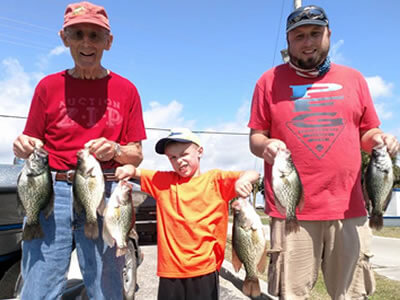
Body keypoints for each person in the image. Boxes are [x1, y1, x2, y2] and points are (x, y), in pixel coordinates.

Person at [248, 4, 399, 300]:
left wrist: (381, 139)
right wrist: (266, 145)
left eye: (315, 33)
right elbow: (256, 137)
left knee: (352, 295)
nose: (308, 42)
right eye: (299, 36)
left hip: (348, 208)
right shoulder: (267, 81)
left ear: (328, 35)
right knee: (292, 294)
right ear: (288, 41)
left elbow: (366, 132)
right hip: (291, 211)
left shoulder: (354, 79)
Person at [12, 2, 146, 299]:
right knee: (39, 286)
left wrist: (115, 149)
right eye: (78, 34)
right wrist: (21, 145)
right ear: (65, 38)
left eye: (95, 35)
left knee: (106, 286)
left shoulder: (127, 90)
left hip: (104, 191)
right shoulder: (47, 87)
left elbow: (136, 153)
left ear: (108, 42)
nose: (86, 42)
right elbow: (29, 141)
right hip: (51, 192)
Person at [115, 128, 260, 300]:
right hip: (170, 271)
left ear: (200, 152)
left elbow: (253, 174)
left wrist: (243, 180)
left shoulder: (216, 180)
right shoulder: (163, 181)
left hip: (204, 270)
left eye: (184, 154)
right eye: (173, 158)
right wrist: (127, 169)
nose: (179, 161)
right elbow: (136, 172)